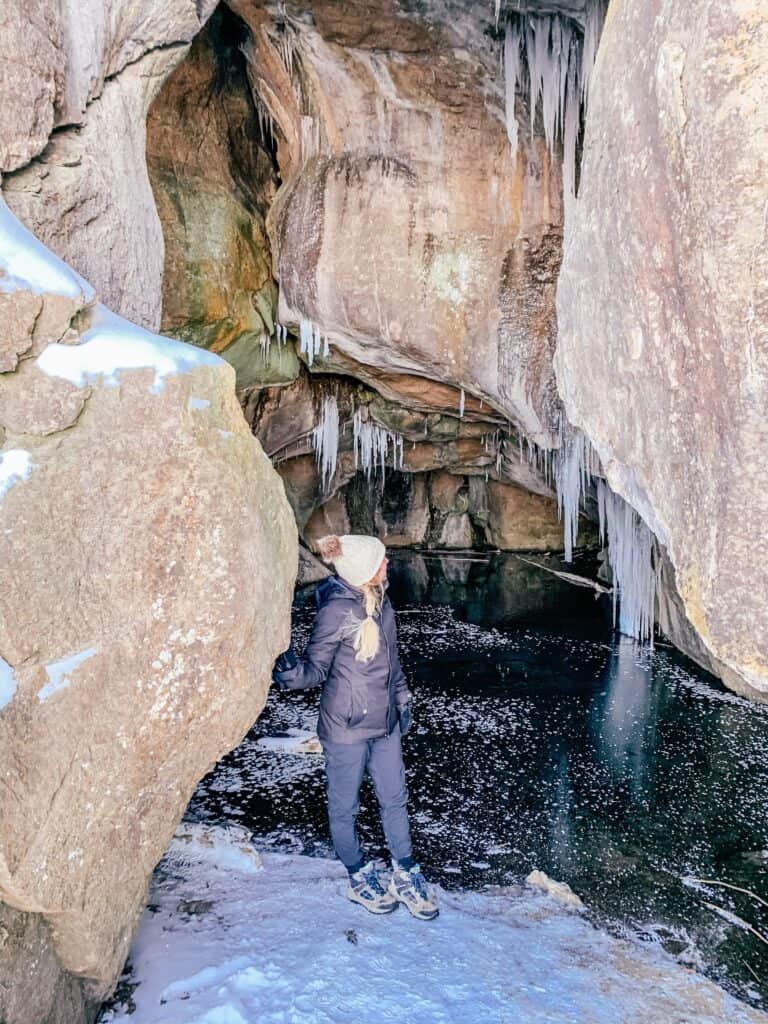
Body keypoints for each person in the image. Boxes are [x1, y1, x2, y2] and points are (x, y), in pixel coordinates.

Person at [272, 533, 439, 921]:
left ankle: (405, 870)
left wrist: (402, 700)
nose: (387, 565)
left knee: (395, 798)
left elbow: (393, 662)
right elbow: (315, 670)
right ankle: (357, 874)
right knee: (344, 807)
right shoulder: (336, 610)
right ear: (364, 571)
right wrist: (288, 671)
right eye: (381, 561)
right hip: (345, 728)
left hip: (385, 723)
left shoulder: (382, 604)